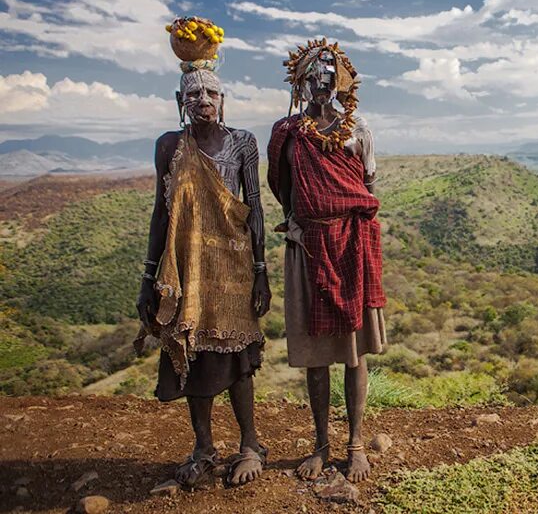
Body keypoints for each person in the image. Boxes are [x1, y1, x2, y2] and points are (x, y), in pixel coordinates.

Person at [135, 54, 271, 488]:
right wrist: (148, 278)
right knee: (191, 355)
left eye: (211, 92)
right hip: (186, 269)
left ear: (223, 99)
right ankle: (204, 447)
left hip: (233, 268)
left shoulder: (242, 143)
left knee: (238, 359)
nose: (203, 100)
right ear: (180, 99)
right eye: (194, 93)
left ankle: (251, 444)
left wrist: (261, 269)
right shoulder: (169, 146)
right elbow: (162, 213)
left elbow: (256, 209)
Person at [267, 39, 386, 483]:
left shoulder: (359, 132)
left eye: (328, 75)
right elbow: (281, 187)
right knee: (317, 356)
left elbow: (368, 189)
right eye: (312, 76)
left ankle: (355, 444)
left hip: (351, 244)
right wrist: (302, 224)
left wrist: (350, 227)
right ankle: (320, 444)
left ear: (341, 82)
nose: (320, 82)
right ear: (298, 81)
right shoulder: (287, 133)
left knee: (355, 355)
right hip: (307, 244)